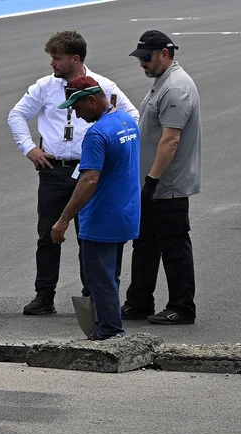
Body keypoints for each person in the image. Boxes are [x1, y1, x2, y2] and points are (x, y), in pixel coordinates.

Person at [7, 30, 140, 316]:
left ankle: (92, 294)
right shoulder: (44, 87)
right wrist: (30, 149)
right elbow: (16, 114)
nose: (52, 63)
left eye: (57, 58)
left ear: (75, 59)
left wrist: (111, 151)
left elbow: (133, 117)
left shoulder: (102, 86)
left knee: (88, 235)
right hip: (54, 169)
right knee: (47, 233)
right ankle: (44, 295)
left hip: (90, 168)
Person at [51, 76, 141, 340]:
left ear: (92, 100)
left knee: (99, 279)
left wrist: (64, 219)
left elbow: (89, 178)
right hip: (124, 213)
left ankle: (109, 333)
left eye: (77, 108)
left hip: (101, 217)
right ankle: (109, 328)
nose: (77, 115)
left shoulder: (97, 133)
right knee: (110, 277)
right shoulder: (127, 122)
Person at [122, 30, 201, 325]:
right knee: (145, 244)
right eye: (140, 58)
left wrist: (152, 180)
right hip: (151, 182)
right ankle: (139, 301)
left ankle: (182, 307)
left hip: (167, 184)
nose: (142, 63)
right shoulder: (162, 82)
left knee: (173, 244)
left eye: (146, 57)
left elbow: (171, 140)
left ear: (164, 54)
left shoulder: (176, 88)